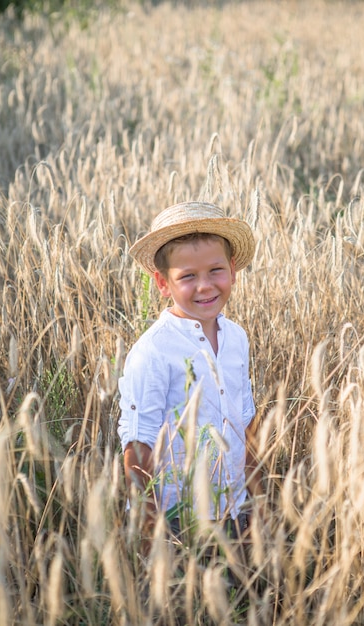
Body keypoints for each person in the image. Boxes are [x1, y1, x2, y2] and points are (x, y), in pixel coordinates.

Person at [117, 201, 265, 558]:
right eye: (187, 276)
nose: (204, 286)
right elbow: (138, 445)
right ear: (162, 283)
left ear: (233, 269)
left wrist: (256, 502)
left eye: (215, 270)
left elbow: (245, 422)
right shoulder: (153, 351)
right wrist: (152, 530)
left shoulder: (236, 338)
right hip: (176, 518)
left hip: (232, 508)